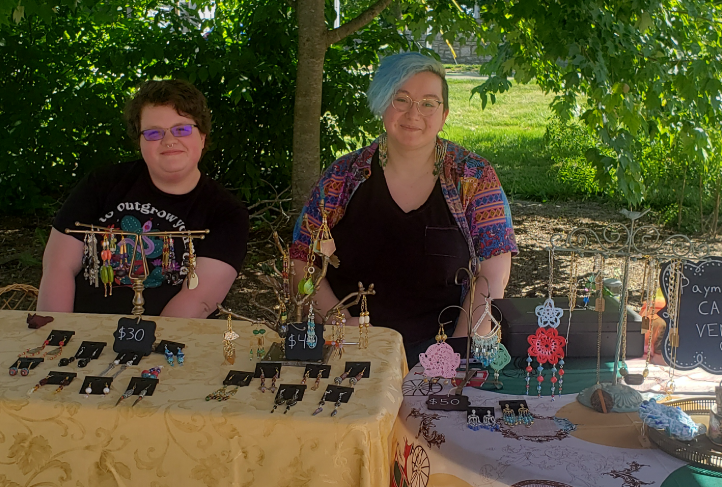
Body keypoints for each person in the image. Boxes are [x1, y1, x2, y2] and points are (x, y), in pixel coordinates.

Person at [290, 53, 517, 365]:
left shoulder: (473, 177)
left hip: (445, 353)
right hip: (348, 351)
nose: (414, 113)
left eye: (428, 103)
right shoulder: (341, 177)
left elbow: (492, 271)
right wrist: (337, 321)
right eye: (401, 99)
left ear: (444, 114)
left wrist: (457, 355)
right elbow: (302, 259)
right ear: (383, 103)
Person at [38, 79, 249, 318]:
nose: (169, 140)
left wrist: (147, 341)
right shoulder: (102, 183)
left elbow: (199, 300)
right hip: (81, 332)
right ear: (139, 141)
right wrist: (56, 331)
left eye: (182, 129)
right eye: (153, 133)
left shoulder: (227, 213)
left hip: (171, 338)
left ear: (202, 137)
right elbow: (58, 266)